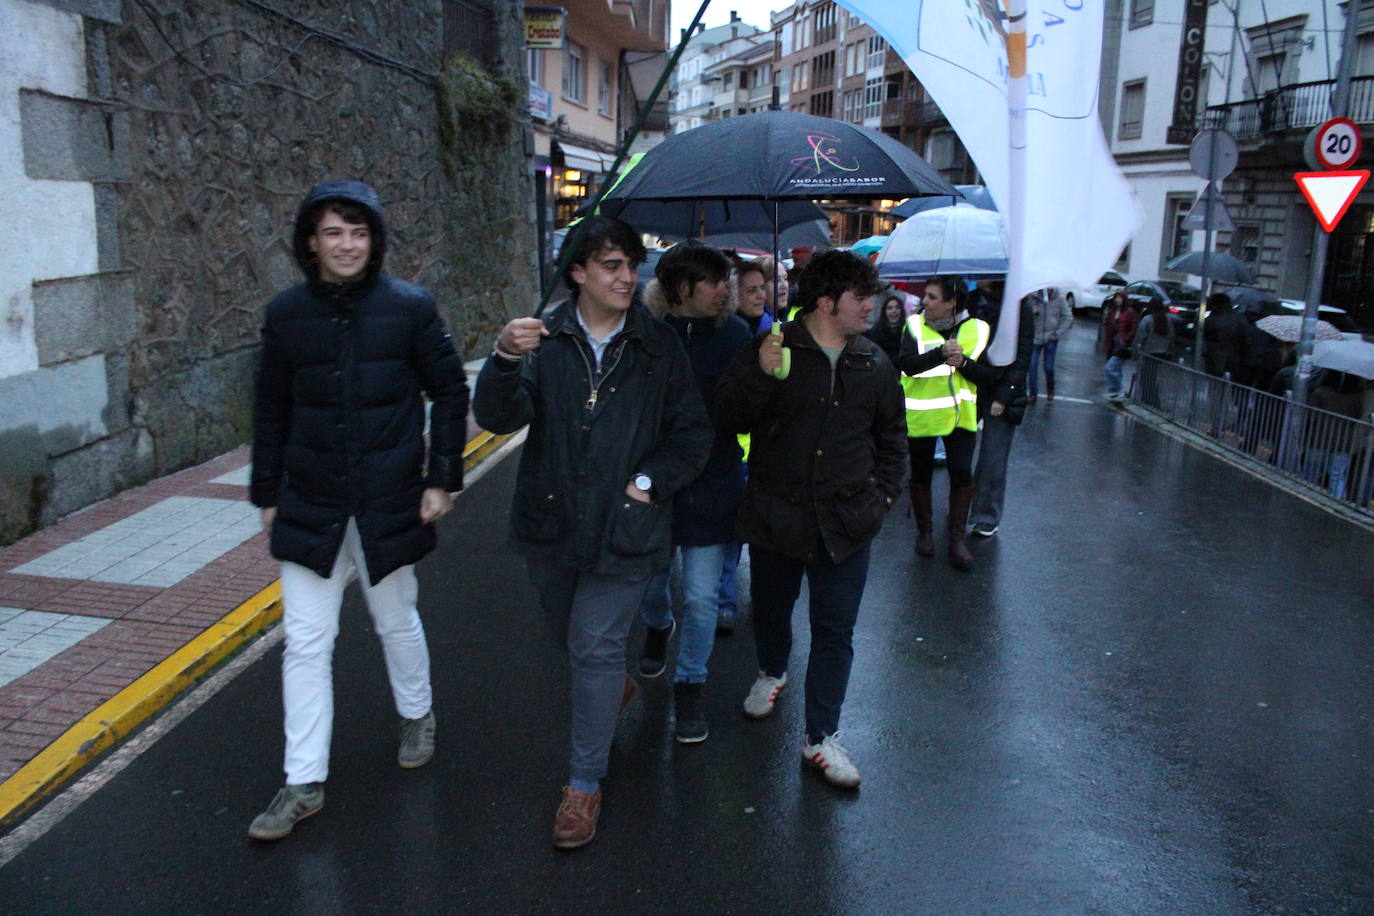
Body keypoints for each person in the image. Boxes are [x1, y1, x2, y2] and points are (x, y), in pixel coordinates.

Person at [473, 216, 712, 850]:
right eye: (612, 265)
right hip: (550, 521)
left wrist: (650, 484)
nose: (628, 277)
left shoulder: (658, 347)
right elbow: (497, 418)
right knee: (571, 636)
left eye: (633, 266)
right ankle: (616, 691)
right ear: (578, 272)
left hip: (627, 527)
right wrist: (502, 359)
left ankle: (583, 785)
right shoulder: (542, 339)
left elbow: (692, 436)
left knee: (595, 645)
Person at [247, 180, 469, 841]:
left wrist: (442, 479)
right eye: (334, 232)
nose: (348, 244)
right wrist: (265, 492)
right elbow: (271, 407)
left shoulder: (409, 308)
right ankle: (302, 780)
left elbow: (451, 390)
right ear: (310, 242)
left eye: (359, 231)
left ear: (374, 240)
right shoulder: (287, 315)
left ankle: (417, 713)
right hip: (310, 497)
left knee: (394, 619)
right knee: (307, 641)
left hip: (389, 496)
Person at [714, 249, 906, 789]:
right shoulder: (771, 348)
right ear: (827, 302)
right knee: (771, 611)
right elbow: (727, 417)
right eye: (860, 298)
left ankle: (822, 736)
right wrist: (761, 375)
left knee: (835, 631)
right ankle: (771, 670)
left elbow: (893, 441)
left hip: (847, 526)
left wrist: (881, 501)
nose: (872, 306)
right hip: (777, 517)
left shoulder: (873, 363)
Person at [634, 241, 752, 743]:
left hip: (713, 481)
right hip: (658, 485)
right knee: (652, 586)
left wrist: (765, 375)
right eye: (714, 280)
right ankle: (659, 625)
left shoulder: (739, 336)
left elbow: (747, 414)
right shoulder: (645, 337)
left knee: (702, 599)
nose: (725, 289)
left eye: (726, 280)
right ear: (682, 288)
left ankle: (690, 686)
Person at [897, 275, 998, 569]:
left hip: (960, 418)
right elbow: (906, 365)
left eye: (931, 297)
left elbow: (991, 377)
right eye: (925, 296)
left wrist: (964, 363)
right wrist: (940, 355)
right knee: (920, 473)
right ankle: (925, 532)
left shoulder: (977, 329)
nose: (923, 302)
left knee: (961, 474)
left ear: (951, 302)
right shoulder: (914, 325)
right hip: (922, 416)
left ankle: (956, 538)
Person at [968, 293, 1034, 537]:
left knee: (993, 458)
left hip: (1002, 392)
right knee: (960, 451)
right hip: (972, 383)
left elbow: (1023, 356)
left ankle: (986, 516)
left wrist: (1003, 396)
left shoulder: (1020, 309)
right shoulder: (974, 300)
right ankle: (960, 508)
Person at [1027, 287, 1073, 403]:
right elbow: (1024, 313)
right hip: (1035, 337)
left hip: (1050, 337)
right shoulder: (1033, 298)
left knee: (1048, 367)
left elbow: (1068, 318)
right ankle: (1033, 393)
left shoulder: (1060, 298)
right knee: (1032, 365)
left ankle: (1050, 388)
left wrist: (1057, 334)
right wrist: (1032, 311)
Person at [1132, 296, 1174, 408]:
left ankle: (1147, 400)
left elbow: (1140, 337)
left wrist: (1135, 352)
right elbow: (1171, 336)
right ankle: (1154, 401)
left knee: (1146, 378)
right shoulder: (1167, 320)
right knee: (1154, 377)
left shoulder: (1147, 319)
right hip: (1162, 353)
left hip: (1148, 352)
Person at [1202, 292, 1248, 379]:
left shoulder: (1211, 320)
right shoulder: (1239, 319)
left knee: (1214, 384)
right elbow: (1245, 340)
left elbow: (1197, 332)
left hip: (1214, 358)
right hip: (1232, 360)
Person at [1104, 293, 1139, 401]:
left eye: (1120, 298)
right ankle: (1115, 391)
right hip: (1113, 343)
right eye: (1116, 298)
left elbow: (1134, 328)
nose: (1117, 300)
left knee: (1110, 367)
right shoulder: (1112, 312)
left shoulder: (1129, 312)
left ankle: (1118, 389)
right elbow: (1108, 328)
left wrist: (1127, 339)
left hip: (1123, 344)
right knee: (1117, 368)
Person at [733, 259, 774, 336]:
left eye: (762, 288)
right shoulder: (723, 331)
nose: (761, 296)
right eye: (752, 290)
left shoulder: (775, 328)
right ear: (734, 294)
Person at [863, 286, 906, 360]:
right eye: (890, 308)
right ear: (884, 312)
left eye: (897, 308)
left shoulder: (907, 330)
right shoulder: (876, 331)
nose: (894, 311)